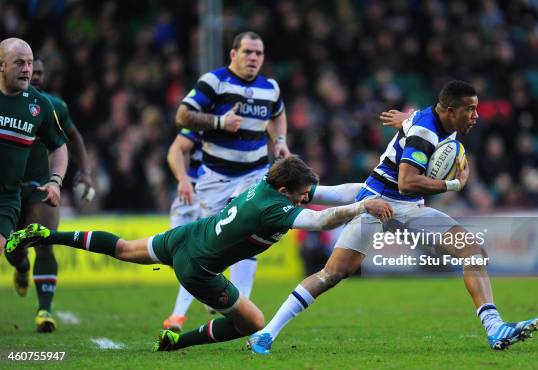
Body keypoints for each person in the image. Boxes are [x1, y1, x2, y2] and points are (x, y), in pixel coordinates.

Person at [248, 81, 538, 354]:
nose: (476, 116)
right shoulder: (425, 133)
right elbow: (407, 182)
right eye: (470, 109)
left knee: (472, 251)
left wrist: (406, 120)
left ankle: (495, 328)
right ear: (450, 111)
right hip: (384, 204)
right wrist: (454, 184)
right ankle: (267, 332)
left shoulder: (431, 117)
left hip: (393, 198)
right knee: (332, 273)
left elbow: (416, 120)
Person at [6, 156, 394, 351]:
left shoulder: (266, 186)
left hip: (187, 237)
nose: (306, 198)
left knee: (123, 248)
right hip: (198, 268)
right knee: (253, 322)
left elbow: (330, 195)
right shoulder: (273, 208)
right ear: (285, 191)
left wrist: (372, 190)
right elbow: (324, 221)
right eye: (302, 194)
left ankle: (47, 235)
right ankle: (179, 342)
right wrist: (363, 208)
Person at [163, 31, 290, 329]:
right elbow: (182, 116)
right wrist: (219, 122)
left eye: (258, 53)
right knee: (213, 244)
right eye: (247, 52)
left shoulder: (270, 88)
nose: (253, 58)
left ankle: (241, 303)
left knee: (248, 233)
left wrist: (280, 140)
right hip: (215, 178)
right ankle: (210, 294)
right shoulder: (214, 82)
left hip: (254, 175)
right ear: (233, 54)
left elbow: (278, 114)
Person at [5, 57, 93, 332]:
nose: (35, 75)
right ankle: (20, 265)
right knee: (14, 246)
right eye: (29, 69)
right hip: (8, 187)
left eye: (39, 71)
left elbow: (70, 139)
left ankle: (45, 310)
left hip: (40, 184)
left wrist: (84, 172)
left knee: (45, 241)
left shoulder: (50, 106)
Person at [0, 38, 68, 256]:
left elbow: (59, 146)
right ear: (1, 65)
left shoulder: (39, 105)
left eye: (29, 63)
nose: (27, 69)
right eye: (19, 63)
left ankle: (19, 262)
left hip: (7, 199)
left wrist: (55, 182)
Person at [162, 129, 205, 332]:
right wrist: (182, 178)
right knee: (176, 254)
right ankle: (211, 292)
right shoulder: (200, 120)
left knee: (194, 257)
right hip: (188, 191)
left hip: (215, 194)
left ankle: (177, 315)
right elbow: (175, 151)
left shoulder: (237, 124)